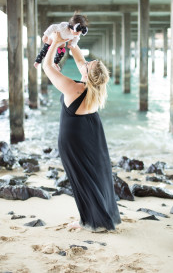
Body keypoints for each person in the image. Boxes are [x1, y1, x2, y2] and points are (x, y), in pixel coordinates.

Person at [43, 31, 121, 232]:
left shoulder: (74, 88)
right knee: (95, 174)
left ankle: (88, 221)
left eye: (89, 63)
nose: (87, 61)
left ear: (86, 73)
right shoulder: (97, 86)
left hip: (73, 138)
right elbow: (79, 58)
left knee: (81, 178)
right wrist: (70, 40)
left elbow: (47, 66)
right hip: (92, 131)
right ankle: (97, 215)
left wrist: (54, 44)